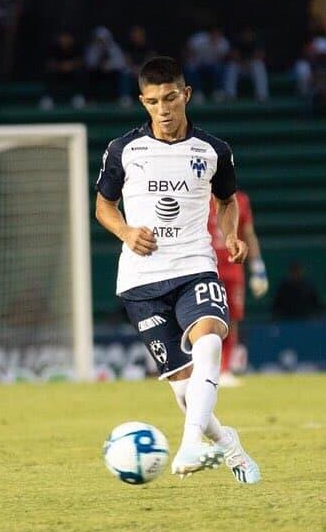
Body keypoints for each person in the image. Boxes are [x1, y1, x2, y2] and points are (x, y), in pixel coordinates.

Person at [94, 56, 260, 484]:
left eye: (170, 98)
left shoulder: (213, 150)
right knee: (185, 388)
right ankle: (228, 444)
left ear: (186, 94)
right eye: (153, 102)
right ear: (142, 102)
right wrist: (126, 232)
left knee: (210, 340)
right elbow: (103, 206)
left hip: (194, 267)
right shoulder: (124, 150)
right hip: (141, 281)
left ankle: (189, 445)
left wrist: (230, 235)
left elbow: (227, 201)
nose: (163, 110)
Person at [207, 190, 268, 386]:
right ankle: (204, 368)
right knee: (204, 318)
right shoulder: (198, 195)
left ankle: (225, 369)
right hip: (207, 266)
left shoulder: (240, 199)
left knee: (231, 319)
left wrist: (258, 268)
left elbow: (248, 234)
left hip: (233, 268)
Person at [184, 26, 229, 102]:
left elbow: (222, 59)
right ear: (210, 33)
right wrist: (191, 58)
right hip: (198, 65)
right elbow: (188, 51)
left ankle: (218, 92)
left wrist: (215, 46)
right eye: (214, 33)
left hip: (213, 66)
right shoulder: (199, 39)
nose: (215, 36)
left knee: (220, 68)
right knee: (190, 68)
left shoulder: (223, 43)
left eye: (218, 34)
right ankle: (197, 93)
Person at [223, 27, 269, 101]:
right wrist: (243, 62)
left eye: (249, 33)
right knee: (232, 66)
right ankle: (230, 95)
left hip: (252, 68)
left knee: (258, 65)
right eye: (245, 33)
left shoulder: (257, 41)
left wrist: (248, 62)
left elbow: (260, 56)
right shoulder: (237, 41)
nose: (247, 35)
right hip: (240, 67)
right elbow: (234, 56)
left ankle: (261, 95)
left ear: (252, 34)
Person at [43, 31, 85, 109]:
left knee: (80, 72)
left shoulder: (77, 47)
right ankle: (48, 98)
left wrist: (70, 65)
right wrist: (61, 66)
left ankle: (78, 97)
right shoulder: (54, 47)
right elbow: (50, 63)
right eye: (64, 37)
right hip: (58, 73)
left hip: (72, 73)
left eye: (68, 37)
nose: (66, 40)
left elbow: (80, 62)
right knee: (50, 72)